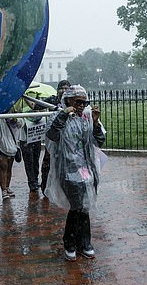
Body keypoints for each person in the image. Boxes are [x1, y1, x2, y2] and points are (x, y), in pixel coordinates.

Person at [44, 85, 105, 262]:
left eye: (85, 102)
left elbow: (99, 141)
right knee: (77, 205)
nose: (82, 105)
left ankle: (84, 242)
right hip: (68, 168)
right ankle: (71, 243)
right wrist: (64, 114)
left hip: (87, 169)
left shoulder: (86, 117)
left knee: (84, 206)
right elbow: (52, 136)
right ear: (68, 100)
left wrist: (95, 122)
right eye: (78, 101)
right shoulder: (58, 116)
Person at [40, 80, 70, 195]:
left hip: (67, 138)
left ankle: (62, 188)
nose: (64, 90)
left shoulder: (71, 102)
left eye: (66, 88)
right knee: (47, 163)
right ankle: (45, 187)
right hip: (54, 136)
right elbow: (36, 105)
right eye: (61, 88)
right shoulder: (52, 100)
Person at [0, 108, 23, 200]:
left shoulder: (14, 114)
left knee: (8, 167)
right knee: (2, 166)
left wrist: (14, 119)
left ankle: (7, 187)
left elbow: (20, 124)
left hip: (11, 145)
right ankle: (3, 189)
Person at [17, 98, 45, 194]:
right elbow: (18, 123)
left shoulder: (38, 113)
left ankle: (35, 180)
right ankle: (32, 182)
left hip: (35, 138)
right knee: (29, 162)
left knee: (35, 160)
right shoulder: (20, 108)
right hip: (25, 140)